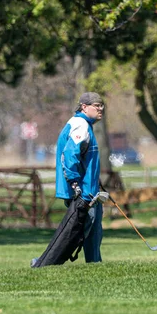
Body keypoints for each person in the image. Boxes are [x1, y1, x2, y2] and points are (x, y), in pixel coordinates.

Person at [54, 92, 107, 263]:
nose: (101, 109)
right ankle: (42, 263)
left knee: (93, 235)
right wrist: (75, 184)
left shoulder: (85, 125)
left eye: (102, 105)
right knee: (72, 237)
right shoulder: (80, 125)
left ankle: (95, 265)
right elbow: (69, 156)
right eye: (97, 105)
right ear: (84, 107)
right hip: (83, 194)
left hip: (91, 191)